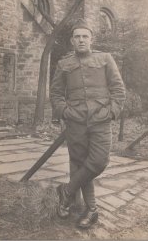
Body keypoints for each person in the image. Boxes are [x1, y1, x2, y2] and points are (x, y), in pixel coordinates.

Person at [51, 18, 126, 229]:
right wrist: (65, 112)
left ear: (91, 39)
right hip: (75, 122)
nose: (81, 40)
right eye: (77, 37)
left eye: (85, 36)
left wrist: (111, 112)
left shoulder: (105, 58)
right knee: (80, 162)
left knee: (99, 161)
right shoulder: (64, 63)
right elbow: (56, 93)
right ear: (72, 41)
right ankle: (91, 210)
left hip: (101, 120)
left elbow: (119, 90)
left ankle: (66, 191)